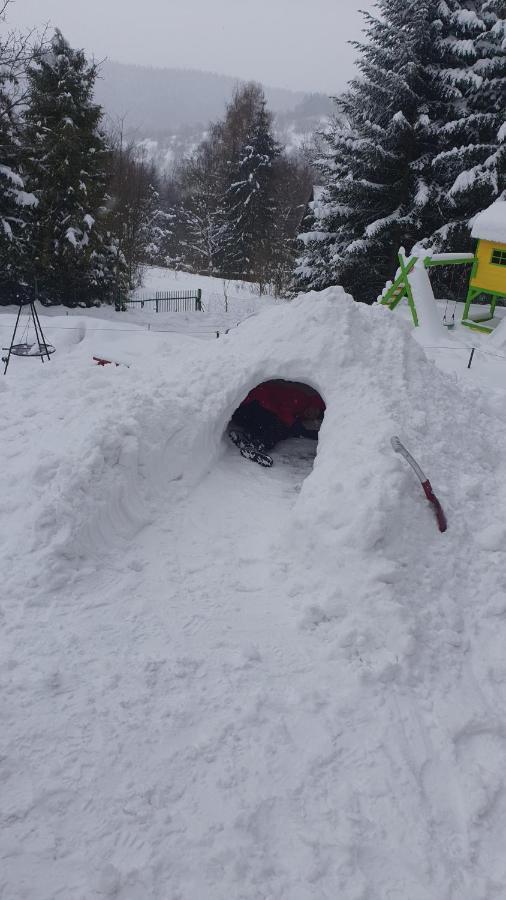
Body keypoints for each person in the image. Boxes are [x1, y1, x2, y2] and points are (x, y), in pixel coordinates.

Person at [229, 380, 325, 466]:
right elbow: (284, 412)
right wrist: (294, 425)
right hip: (249, 406)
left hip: (243, 413)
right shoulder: (302, 399)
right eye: (315, 410)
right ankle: (257, 445)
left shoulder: (300, 412)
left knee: (280, 427)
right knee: (278, 426)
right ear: (314, 403)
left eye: (315, 415)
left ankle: (250, 437)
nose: (312, 414)